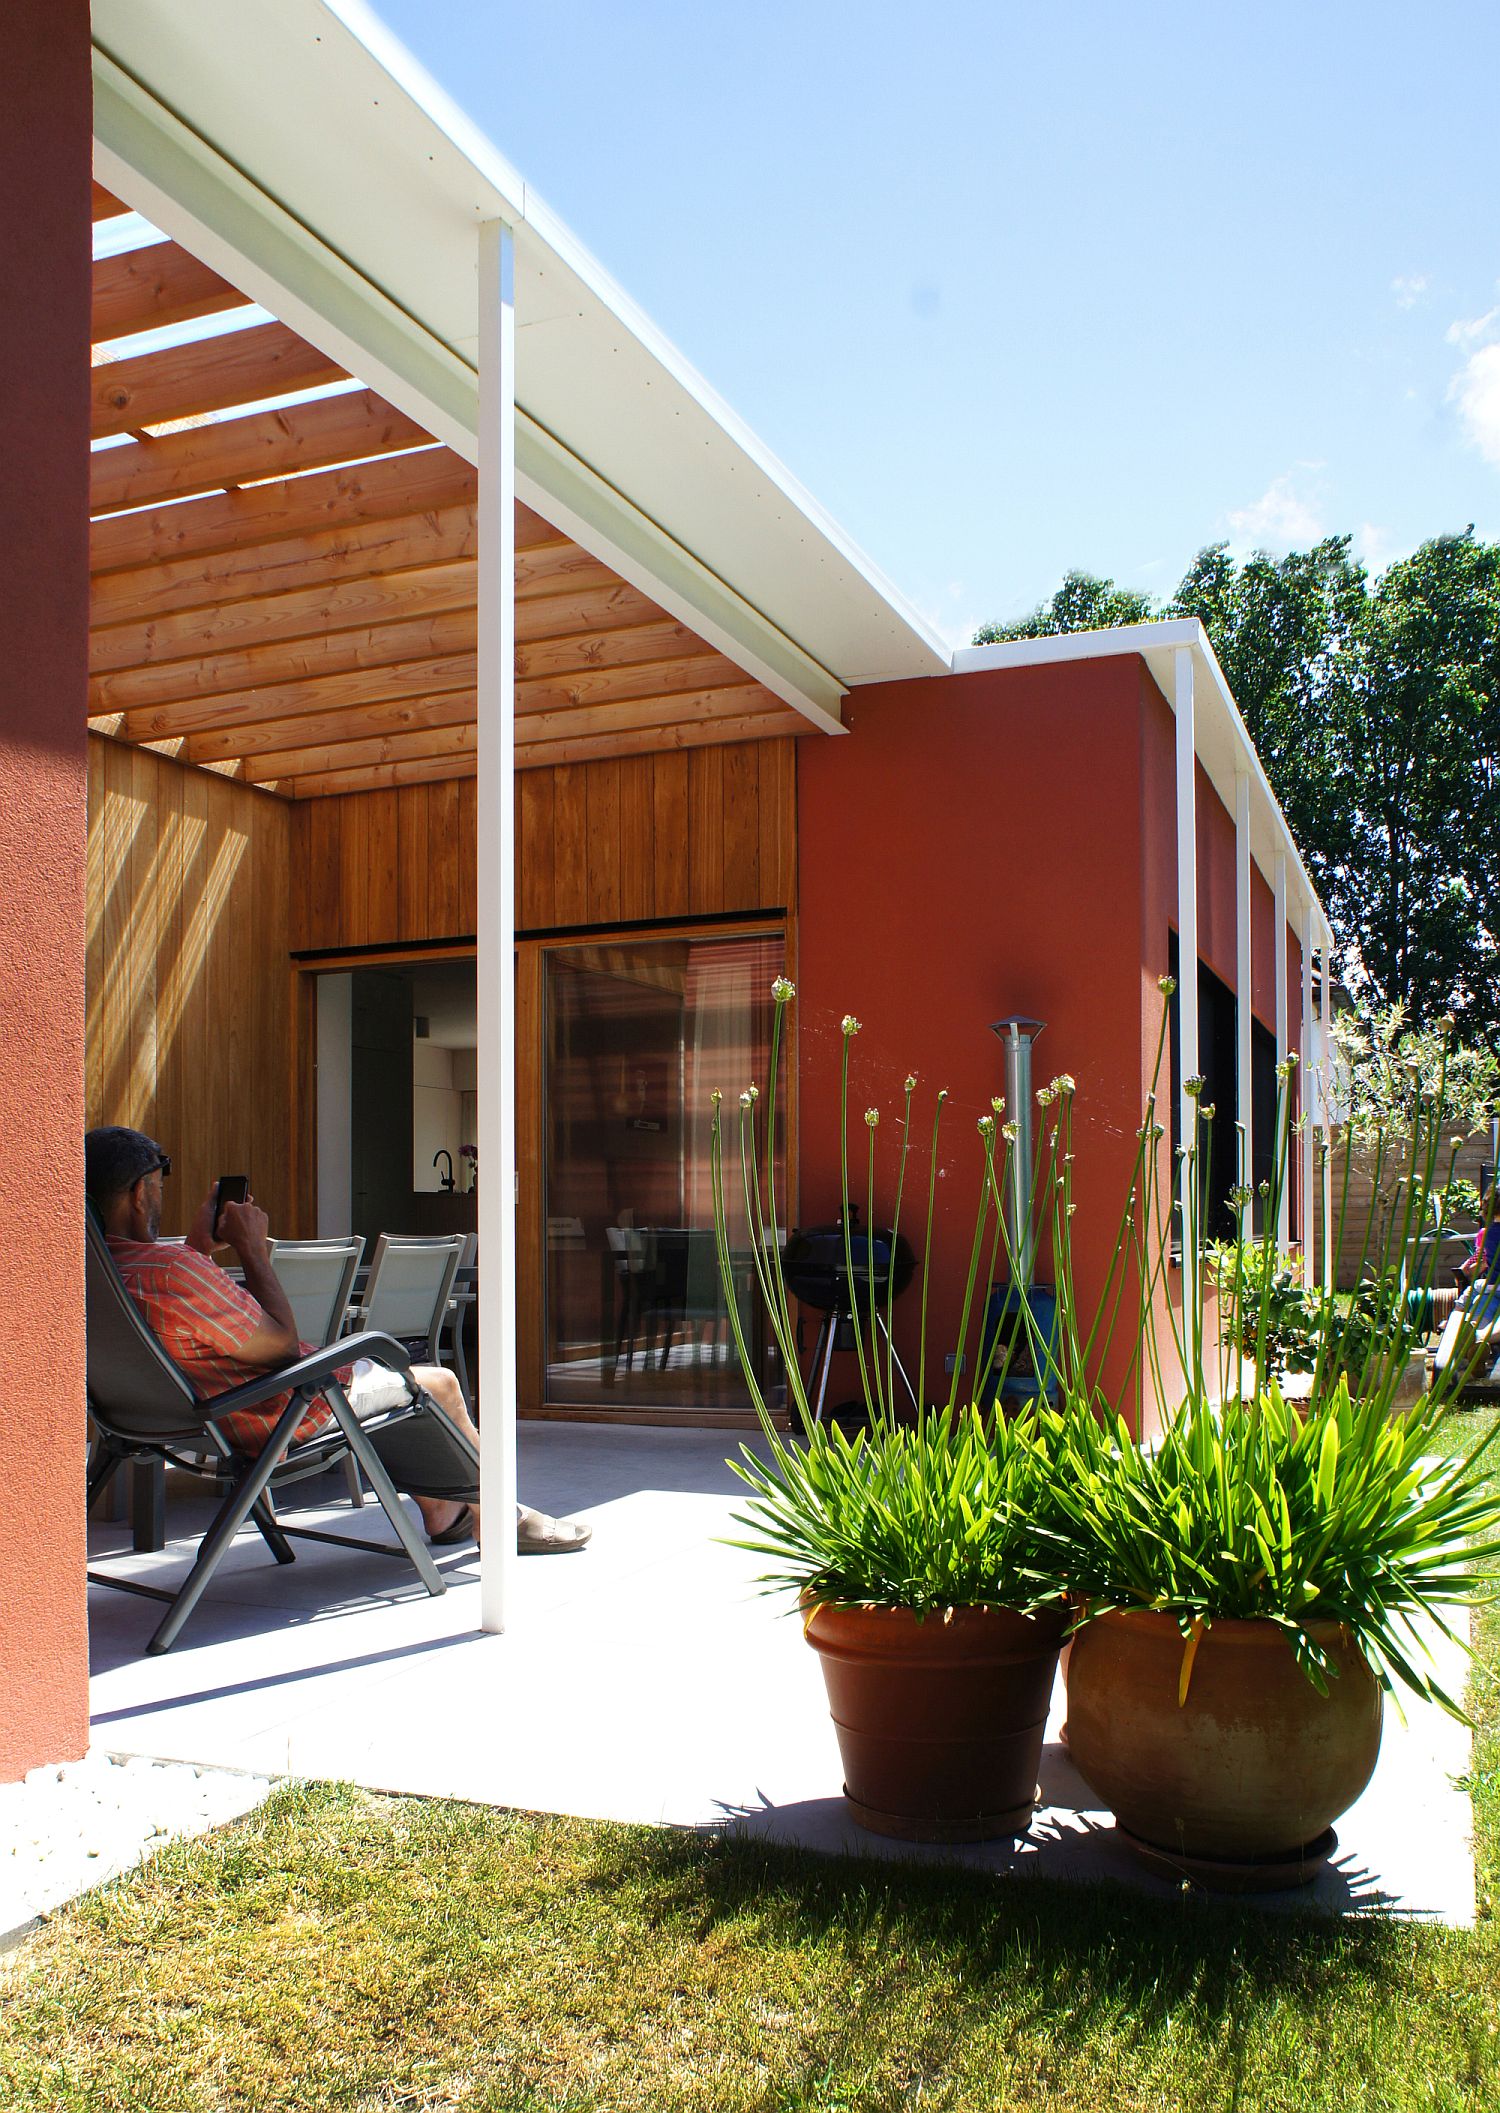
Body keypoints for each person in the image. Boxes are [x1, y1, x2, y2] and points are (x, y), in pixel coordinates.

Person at [85, 1127, 590, 1555]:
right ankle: (501, 1517)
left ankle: (444, 1513)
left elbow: (178, 1319)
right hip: (277, 1410)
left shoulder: (100, 1273)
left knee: (391, 1385)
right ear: (138, 1193)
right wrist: (252, 1250)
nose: (160, 1198)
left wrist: (199, 1247)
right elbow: (282, 1347)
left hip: (170, 1419)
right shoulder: (171, 1270)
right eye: (157, 1187)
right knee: (437, 1383)